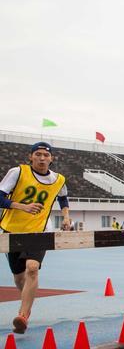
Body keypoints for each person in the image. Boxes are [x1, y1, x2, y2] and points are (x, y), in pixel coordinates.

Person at [0, 142, 71, 334]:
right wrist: (22, 206)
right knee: (18, 277)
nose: (42, 158)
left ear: (51, 158)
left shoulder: (59, 179)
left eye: (45, 155)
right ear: (30, 157)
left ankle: (23, 316)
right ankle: (27, 302)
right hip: (12, 230)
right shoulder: (18, 172)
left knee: (32, 268)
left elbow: (63, 197)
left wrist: (65, 216)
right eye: (38, 154)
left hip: (40, 230)